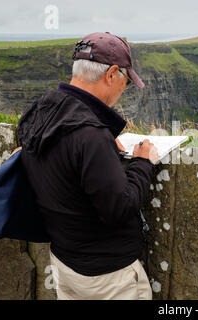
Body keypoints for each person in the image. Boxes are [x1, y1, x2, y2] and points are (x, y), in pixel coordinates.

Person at [16, 32, 159, 300]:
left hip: (65, 261)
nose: (123, 90)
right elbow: (119, 208)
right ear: (112, 74)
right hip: (107, 277)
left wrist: (104, 153)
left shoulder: (40, 111)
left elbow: (61, 161)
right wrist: (142, 162)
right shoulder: (90, 134)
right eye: (126, 82)